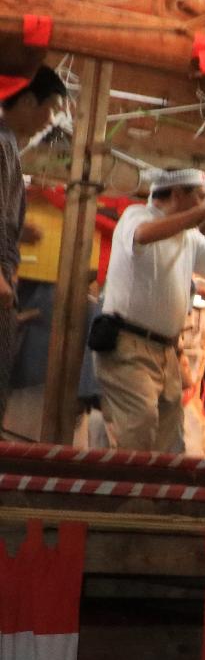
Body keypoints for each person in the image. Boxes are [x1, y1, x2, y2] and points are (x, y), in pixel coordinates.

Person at [95, 166, 205, 451]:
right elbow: (142, 236)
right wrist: (199, 214)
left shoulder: (188, 236)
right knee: (139, 427)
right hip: (128, 345)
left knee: (166, 435)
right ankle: (128, 494)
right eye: (200, 197)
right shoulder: (137, 216)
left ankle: (145, 492)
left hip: (167, 350)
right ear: (177, 194)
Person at [0, 66, 63, 423]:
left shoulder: (7, 144)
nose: (51, 120)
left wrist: (19, 231)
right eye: (51, 108)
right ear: (26, 100)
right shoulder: (0, 142)